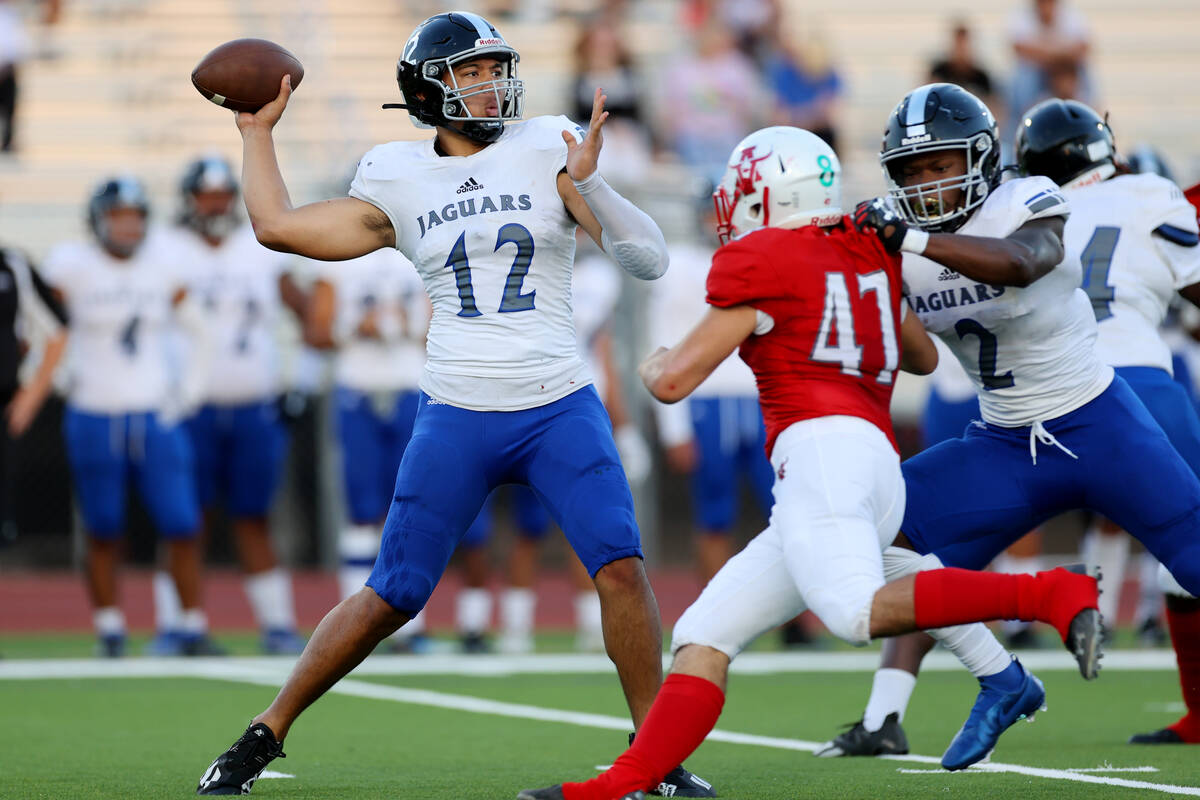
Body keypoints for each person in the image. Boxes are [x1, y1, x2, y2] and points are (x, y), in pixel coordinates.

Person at [196, 12, 712, 797]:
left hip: (555, 402)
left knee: (620, 566)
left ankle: (658, 759)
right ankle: (263, 733)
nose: (490, 83)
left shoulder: (549, 144)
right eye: (470, 71)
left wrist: (593, 179)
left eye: (493, 67)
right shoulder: (396, 172)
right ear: (428, 89)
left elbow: (647, 259)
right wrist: (256, 134)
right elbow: (277, 228)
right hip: (458, 408)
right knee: (393, 592)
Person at [515, 124, 1102, 800]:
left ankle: (1049, 593)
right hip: (874, 456)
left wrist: (651, 363)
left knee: (855, 612)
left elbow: (673, 381)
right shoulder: (865, 247)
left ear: (772, 192)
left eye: (742, 190)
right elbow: (922, 357)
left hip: (822, 451)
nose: (732, 204)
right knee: (707, 630)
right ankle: (627, 781)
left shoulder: (761, 259)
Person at [816, 83, 1200, 766]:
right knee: (870, 528)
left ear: (984, 158)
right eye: (911, 172)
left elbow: (1026, 262)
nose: (927, 184)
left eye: (940, 165)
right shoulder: (900, 246)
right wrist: (856, 272)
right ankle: (997, 680)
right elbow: (923, 359)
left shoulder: (1024, 199)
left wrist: (909, 239)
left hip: (1101, 424)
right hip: (1003, 442)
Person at [1016, 98, 1200, 745]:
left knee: (948, 543)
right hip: (1143, 381)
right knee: (1191, 550)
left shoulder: (1023, 210)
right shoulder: (1149, 193)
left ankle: (886, 709)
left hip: (1050, 391)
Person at [43, 176, 218, 657]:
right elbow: (40, 323)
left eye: (134, 216)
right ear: (98, 219)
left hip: (155, 413)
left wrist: (189, 393)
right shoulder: (71, 265)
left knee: (182, 523)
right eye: (118, 215)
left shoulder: (163, 264)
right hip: (93, 411)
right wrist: (58, 377)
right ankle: (110, 627)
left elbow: (201, 331)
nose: (126, 226)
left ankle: (190, 624)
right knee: (102, 527)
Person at [143, 155, 306, 656]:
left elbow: (304, 315)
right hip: (189, 409)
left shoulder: (259, 248)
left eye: (221, 195)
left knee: (253, 516)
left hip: (253, 404)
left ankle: (277, 624)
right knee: (185, 518)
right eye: (205, 195)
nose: (214, 204)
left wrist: (296, 378)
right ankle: (177, 623)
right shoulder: (165, 249)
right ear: (189, 200)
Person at [303, 242, 436, 653]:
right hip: (357, 392)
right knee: (361, 510)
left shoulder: (425, 244)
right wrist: (357, 327)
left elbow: (446, 323)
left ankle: (411, 625)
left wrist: (407, 327)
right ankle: (353, 623)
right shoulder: (339, 258)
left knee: (412, 507)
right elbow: (317, 331)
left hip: (411, 390)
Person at [648, 193, 773, 584]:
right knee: (715, 513)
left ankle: (795, 621)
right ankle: (713, 613)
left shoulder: (763, 256)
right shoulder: (681, 266)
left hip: (760, 396)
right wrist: (674, 428)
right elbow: (663, 342)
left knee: (785, 509)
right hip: (706, 399)